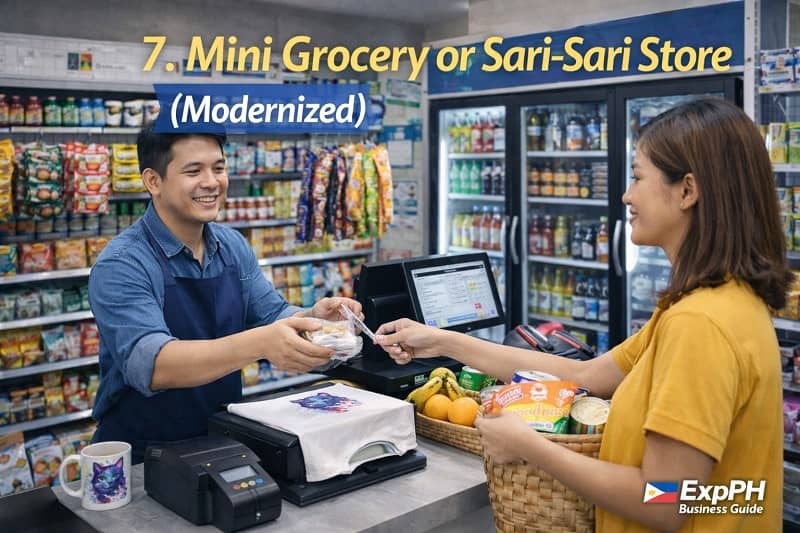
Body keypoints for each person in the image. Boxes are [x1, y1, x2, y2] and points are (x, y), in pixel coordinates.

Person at [376, 99, 789, 531]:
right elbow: (588, 377)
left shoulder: (700, 324)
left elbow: (668, 499)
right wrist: (442, 340)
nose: (626, 195)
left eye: (637, 176)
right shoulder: (716, 299)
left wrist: (532, 447)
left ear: (687, 191)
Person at [89, 123, 362, 462]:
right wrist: (261, 342)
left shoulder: (231, 245)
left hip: (222, 438)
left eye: (218, 168)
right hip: (142, 456)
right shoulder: (123, 263)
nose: (211, 182)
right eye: (194, 171)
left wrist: (313, 319)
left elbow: (272, 314)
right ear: (153, 181)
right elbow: (154, 365)